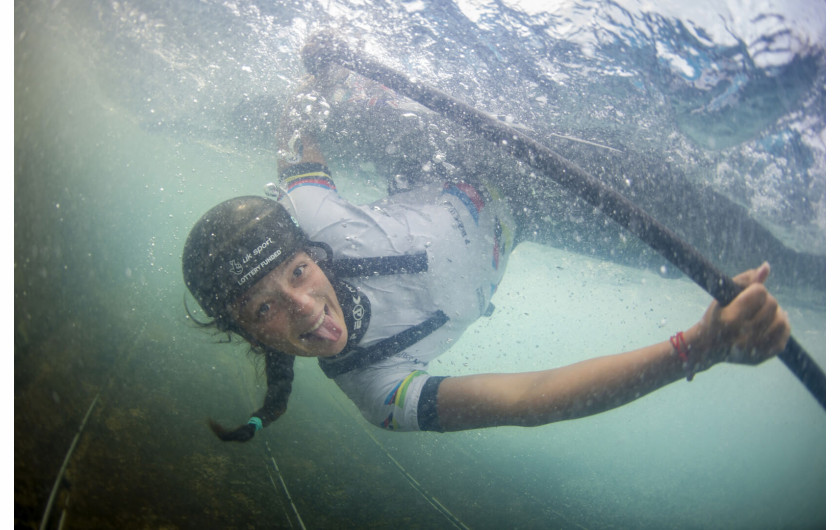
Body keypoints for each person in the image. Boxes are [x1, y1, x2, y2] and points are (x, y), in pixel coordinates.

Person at [182, 71, 790, 442]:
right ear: (245, 332)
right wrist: (697, 349)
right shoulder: (381, 395)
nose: (306, 308)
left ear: (309, 254)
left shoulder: (316, 220)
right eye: (264, 310)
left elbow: (295, 151)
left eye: (297, 272)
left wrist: (317, 76)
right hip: (532, 215)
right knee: (695, 231)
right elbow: (530, 401)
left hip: (464, 157)